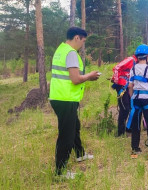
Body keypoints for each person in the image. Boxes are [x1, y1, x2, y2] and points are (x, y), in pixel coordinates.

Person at [49, 27, 100, 179]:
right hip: (66, 99)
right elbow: (75, 79)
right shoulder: (71, 53)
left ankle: (79, 154)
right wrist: (89, 76)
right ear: (77, 38)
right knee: (67, 135)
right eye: (83, 41)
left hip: (59, 97)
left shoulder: (61, 49)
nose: (82, 45)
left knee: (74, 126)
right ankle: (60, 172)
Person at [111, 55, 137, 136]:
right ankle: (120, 132)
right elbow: (117, 67)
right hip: (122, 87)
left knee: (130, 108)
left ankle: (128, 129)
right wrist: (116, 80)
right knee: (125, 109)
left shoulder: (138, 63)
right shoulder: (131, 60)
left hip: (128, 87)